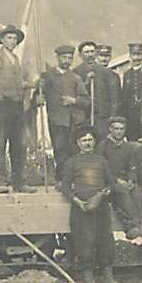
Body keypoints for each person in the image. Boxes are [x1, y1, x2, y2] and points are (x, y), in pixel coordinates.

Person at [60, 126, 124, 283]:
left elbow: (110, 181)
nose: (87, 143)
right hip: (81, 208)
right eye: (84, 140)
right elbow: (65, 187)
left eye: (90, 140)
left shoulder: (101, 160)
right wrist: (78, 202)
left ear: (94, 141)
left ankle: (108, 278)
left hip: (101, 206)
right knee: (85, 241)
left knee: (105, 240)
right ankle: (88, 279)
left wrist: (106, 191)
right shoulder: (71, 162)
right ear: (78, 143)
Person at [0, 24, 36, 194]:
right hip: (2, 105)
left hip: (17, 106)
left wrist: (32, 84)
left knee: (19, 144)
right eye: (9, 37)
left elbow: (18, 83)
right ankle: (0, 181)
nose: (12, 41)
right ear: (2, 39)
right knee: (0, 143)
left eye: (15, 38)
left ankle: (19, 182)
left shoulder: (16, 60)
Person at [41, 45, 91, 182]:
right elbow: (40, 93)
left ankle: (73, 179)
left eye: (70, 58)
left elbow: (86, 100)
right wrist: (38, 98)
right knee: (59, 149)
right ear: (57, 58)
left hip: (74, 121)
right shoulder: (48, 76)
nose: (67, 60)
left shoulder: (75, 78)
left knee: (74, 150)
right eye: (64, 57)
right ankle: (61, 179)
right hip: (57, 120)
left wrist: (74, 100)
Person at [96, 116, 142, 240]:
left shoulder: (128, 147)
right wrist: (116, 180)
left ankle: (137, 225)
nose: (119, 131)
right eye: (116, 128)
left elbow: (132, 166)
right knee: (121, 192)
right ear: (110, 130)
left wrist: (131, 179)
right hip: (107, 181)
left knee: (137, 192)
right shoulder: (103, 146)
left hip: (124, 180)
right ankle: (130, 226)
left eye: (121, 129)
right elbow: (101, 168)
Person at [73, 41, 121, 141]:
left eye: (92, 51)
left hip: (102, 118)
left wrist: (112, 119)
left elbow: (114, 99)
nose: (90, 55)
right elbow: (74, 95)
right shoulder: (75, 73)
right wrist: (85, 82)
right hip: (83, 118)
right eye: (86, 52)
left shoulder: (107, 73)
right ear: (80, 55)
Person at [121, 43, 142, 140]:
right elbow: (124, 96)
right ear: (130, 56)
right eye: (134, 55)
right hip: (131, 114)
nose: (136, 58)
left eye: (139, 54)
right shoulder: (127, 74)